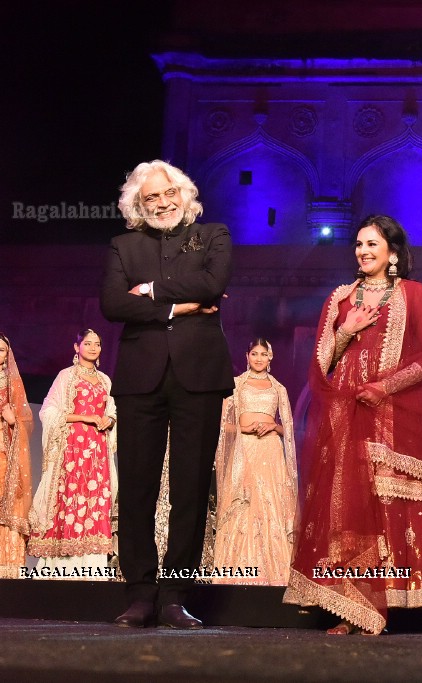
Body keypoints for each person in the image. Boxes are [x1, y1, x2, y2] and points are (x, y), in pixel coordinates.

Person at [284, 215, 422, 635]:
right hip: (343, 418)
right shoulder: (341, 297)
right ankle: (349, 607)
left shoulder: (414, 294)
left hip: (391, 417)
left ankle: (377, 607)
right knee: (344, 511)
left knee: (381, 508)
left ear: (392, 252)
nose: (363, 251)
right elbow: (320, 365)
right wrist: (344, 331)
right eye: (359, 244)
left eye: (373, 244)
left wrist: (385, 388)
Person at [100, 160, 233, 629]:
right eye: (151, 197)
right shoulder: (123, 245)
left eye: (168, 193)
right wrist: (179, 306)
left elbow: (214, 283)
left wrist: (153, 292)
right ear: (138, 205)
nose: (161, 202)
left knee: (191, 489)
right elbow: (113, 304)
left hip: (200, 374)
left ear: (184, 193)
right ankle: (140, 594)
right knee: (136, 487)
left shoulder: (213, 234)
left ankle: (175, 594)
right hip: (140, 378)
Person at [28, 330, 117, 577]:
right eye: (87, 343)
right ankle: (62, 569)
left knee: (97, 501)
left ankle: (92, 568)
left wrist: (108, 419)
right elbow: (48, 411)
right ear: (76, 347)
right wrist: (83, 417)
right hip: (72, 449)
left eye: (97, 344)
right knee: (69, 497)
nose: (93, 347)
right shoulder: (66, 376)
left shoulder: (106, 380)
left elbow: (113, 410)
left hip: (97, 450)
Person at [212, 338, 297, 585]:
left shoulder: (279, 389)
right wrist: (243, 428)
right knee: (243, 503)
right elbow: (221, 424)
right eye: (254, 353)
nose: (259, 358)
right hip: (245, 450)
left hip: (270, 452)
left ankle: (275, 575)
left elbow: (289, 431)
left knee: (270, 505)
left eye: (264, 354)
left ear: (271, 357)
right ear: (247, 356)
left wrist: (273, 425)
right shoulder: (236, 386)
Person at [0, 334, 33, 579]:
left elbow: (26, 421)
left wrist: (14, 422)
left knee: (6, 505)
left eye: (1, 351)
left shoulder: (12, 383)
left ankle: (7, 567)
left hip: (4, 453)